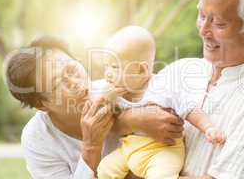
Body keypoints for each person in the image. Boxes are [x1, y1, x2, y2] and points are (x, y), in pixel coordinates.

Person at [151, 0, 244, 178]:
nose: (203, 29)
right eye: (202, 15)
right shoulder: (179, 70)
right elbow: (123, 112)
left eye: (218, 22)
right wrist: (133, 121)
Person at [5, 36, 184, 179]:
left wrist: (132, 119)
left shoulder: (117, 88)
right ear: (41, 105)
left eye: (72, 69)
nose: (76, 83)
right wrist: (91, 147)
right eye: (57, 84)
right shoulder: (38, 139)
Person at [96, 26, 225, 179]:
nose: (107, 73)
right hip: (130, 148)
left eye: (115, 67)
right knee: (104, 170)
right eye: (106, 66)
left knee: (161, 175)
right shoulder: (115, 93)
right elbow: (101, 117)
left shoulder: (163, 87)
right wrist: (105, 99)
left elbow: (189, 109)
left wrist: (208, 127)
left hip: (163, 150)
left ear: (141, 70)